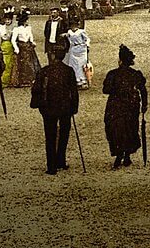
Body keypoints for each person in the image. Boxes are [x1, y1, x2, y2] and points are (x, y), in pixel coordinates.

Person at [30, 43, 79, 175]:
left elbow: (36, 89)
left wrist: (38, 105)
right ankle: (61, 160)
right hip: (65, 108)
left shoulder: (44, 71)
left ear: (52, 55)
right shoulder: (68, 71)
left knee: (50, 136)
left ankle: (51, 165)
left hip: (49, 108)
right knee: (64, 134)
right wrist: (74, 108)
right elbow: (74, 92)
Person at [102, 44, 148, 169]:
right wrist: (144, 104)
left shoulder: (113, 74)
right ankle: (127, 155)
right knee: (130, 128)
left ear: (120, 61)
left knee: (115, 129)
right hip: (131, 105)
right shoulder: (135, 74)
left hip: (116, 106)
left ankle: (119, 154)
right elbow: (143, 90)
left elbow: (105, 90)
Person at [9, 10, 41, 87]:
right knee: (22, 64)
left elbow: (30, 36)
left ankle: (30, 80)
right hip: (21, 47)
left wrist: (32, 42)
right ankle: (22, 81)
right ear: (23, 21)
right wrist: (16, 48)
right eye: (26, 20)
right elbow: (13, 40)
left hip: (28, 47)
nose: (27, 22)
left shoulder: (28, 28)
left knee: (30, 64)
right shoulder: (17, 29)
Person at [63, 19, 91, 89]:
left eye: (75, 25)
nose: (73, 27)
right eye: (72, 26)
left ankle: (83, 81)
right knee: (73, 64)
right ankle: (75, 80)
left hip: (81, 49)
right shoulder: (69, 32)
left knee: (81, 65)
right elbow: (68, 36)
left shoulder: (81, 32)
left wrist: (87, 45)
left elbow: (87, 39)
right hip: (73, 49)